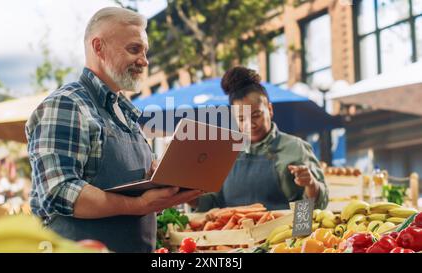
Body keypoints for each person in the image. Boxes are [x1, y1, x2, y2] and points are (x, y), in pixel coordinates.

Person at [26, 7, 202, 253]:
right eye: (134, 49)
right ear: (99, 47)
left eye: (145, 51)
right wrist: (139, 205)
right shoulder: (67, 104)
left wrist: (158, 181)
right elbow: (59, 190)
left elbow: (130, 187)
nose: (144, 60)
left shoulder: (127, 113)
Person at [192, 66, 328, 211]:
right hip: (233, 232)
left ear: (269, 109)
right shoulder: (224, 153)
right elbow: (213, 204)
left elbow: (314, 208)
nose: (250, 124)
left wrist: (311, 185)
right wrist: (185, 196)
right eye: (241, 118)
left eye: (256, 115)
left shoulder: (296, 148)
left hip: (282, 232)